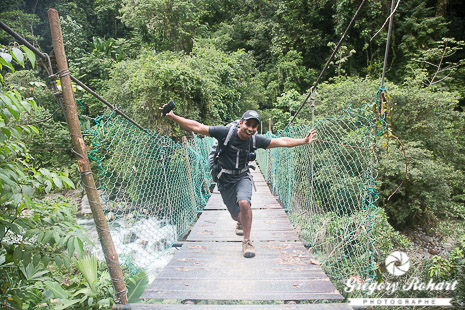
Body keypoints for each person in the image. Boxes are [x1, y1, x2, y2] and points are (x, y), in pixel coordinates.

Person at [160, 106, 317, 258]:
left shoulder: (255, 141)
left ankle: (247, 241)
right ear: (241, 123)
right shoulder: (225, 133)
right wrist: (173, 117)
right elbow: (197, 126)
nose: (250, 129)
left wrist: (303, 141)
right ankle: (240, 222)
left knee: (244, 203)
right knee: (237, 216)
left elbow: (280, 141)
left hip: (242, 176)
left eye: (254, 126)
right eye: (248, 124)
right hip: (224, 179)